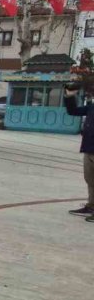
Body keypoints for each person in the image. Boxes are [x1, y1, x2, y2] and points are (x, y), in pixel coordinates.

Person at [64, 87, 94, 220]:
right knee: (90, 179)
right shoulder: (92, 107)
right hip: (89, 148)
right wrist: (70, 97)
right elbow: (73, 111)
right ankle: (91, 206)